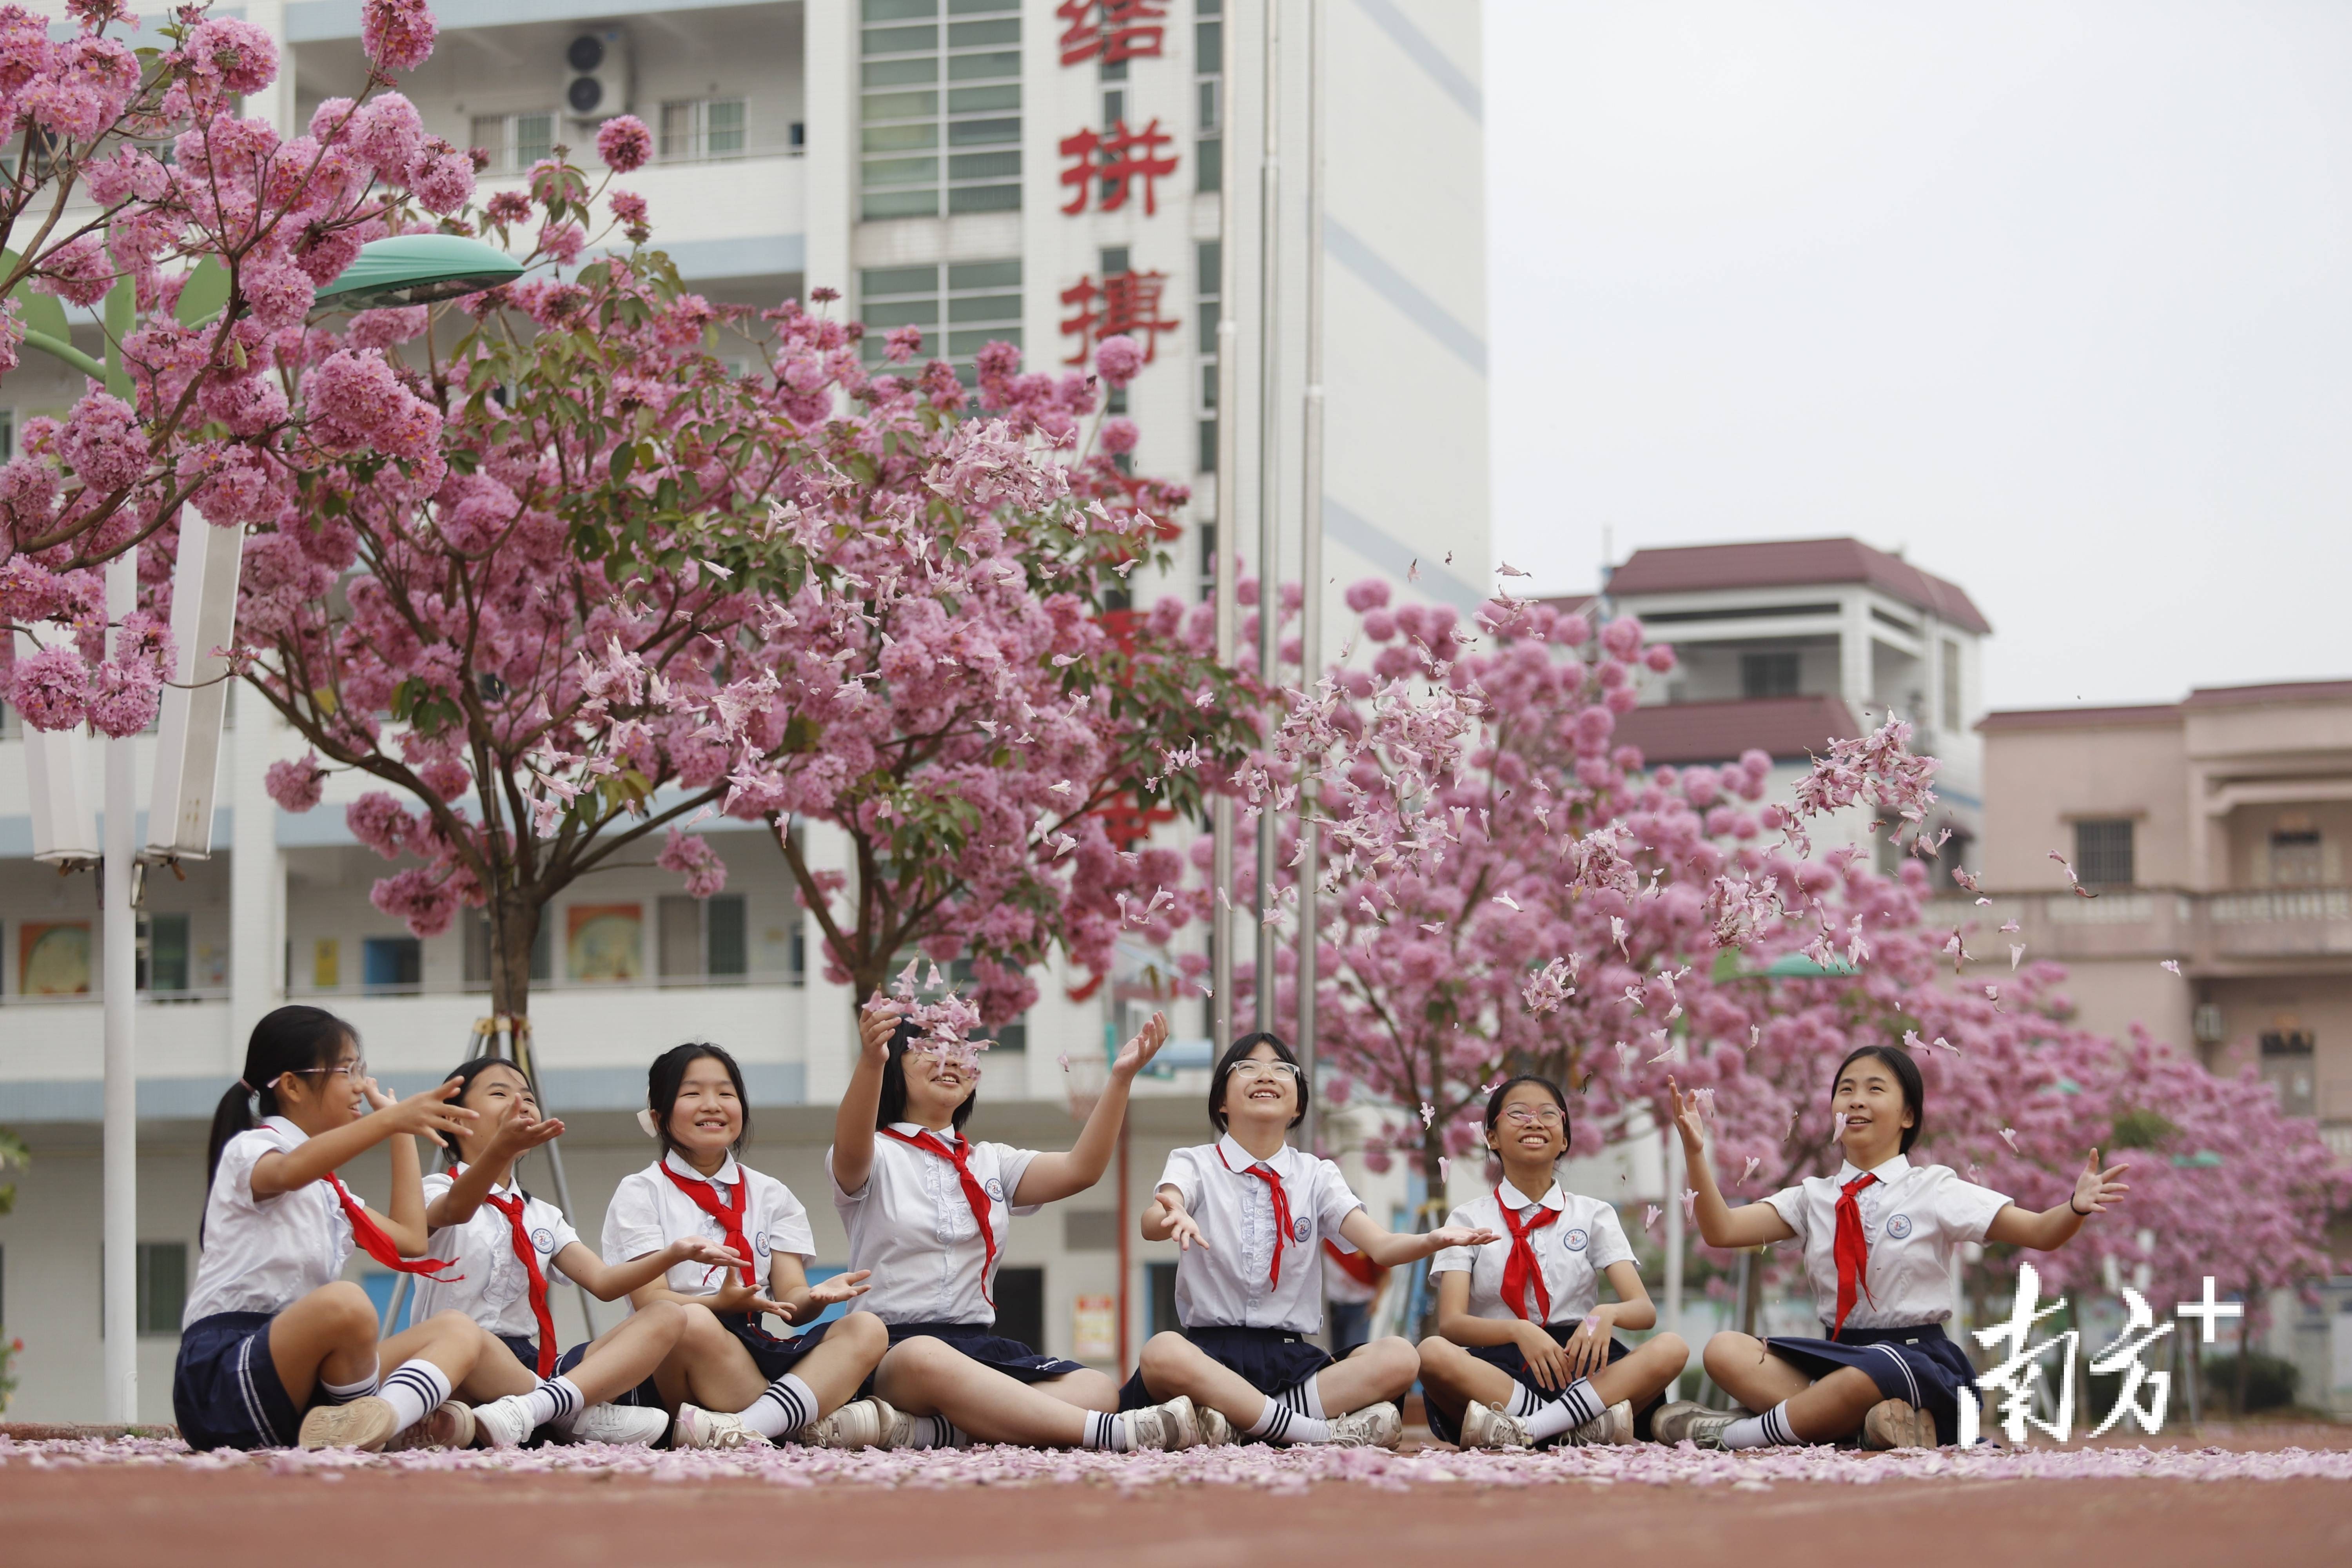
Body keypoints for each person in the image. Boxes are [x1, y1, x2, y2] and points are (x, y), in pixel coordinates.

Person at [1655, 1045, 2130, 1450]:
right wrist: (1696, 1154)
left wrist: (2075, 1206)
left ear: (1908, 1115)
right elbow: (1722, 1230)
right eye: (1846, 1090)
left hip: (1916, 1359)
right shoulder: (1812, 1196)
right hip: (1837, 1357)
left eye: (1874, 1089)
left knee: (1875, 1369)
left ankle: (1735, 1434)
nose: (1856, 1101)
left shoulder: (1936, 1188)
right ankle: (1865, 1428)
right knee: (1724, 1350)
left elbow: (2041, 1232)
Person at [829, 1000, 1207, 1452]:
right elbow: (851, 1146)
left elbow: (1080, 1170)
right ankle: (1112, 1434)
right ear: (895, 1065)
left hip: (976, 1346)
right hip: (896, 1349)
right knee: (924, 1357)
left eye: (963, 1050)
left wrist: (1121, 1078)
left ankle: (934, 1431)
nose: (950, 1059)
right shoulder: (874, 1153)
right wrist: (872, 1060)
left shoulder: (992, 1160)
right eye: (928, 1047)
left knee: (1097, 1389)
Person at [1125, 1032, 1503, 1448]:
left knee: (1400, 1356)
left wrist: (1433, 1239)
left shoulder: (1316, 1175)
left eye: (1281, 1068)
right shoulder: (1193, 1162)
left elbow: (1380, 1247)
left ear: (1298, 1104)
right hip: (1209, 1356)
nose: (1266, 1074)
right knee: (1162, 1353)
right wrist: (1171, 1213)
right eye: (1247, 1067)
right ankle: (1316, 1432)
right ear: (1222, 1101)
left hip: (1290, 1358)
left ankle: (1237, 1423)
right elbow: (1156, 1215)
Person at [174, 1005, 492, 1452]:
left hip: (302, 1384)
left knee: (458, 1329)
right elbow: (287, 1172)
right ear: (291, 1085)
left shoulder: (331, 1190)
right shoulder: (253, 1147)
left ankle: (377, 1420)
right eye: (347, 1069)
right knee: (347, 1303)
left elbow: (411, 1238)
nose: (360, 1084)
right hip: (226, 1378)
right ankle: (377, 1423)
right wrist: (389, 1121)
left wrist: (400, 1129)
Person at [412, 1056, 746, 1447]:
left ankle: (545, 1407)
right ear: (457, 1119)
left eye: (527, 1097)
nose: (519, 1103)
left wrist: (673, 1253)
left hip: (529, 1366)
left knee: (668, 1314)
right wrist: (499, 1151)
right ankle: (568, 1411)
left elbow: (604, 1283)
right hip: (458, 1355)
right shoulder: (434, 1189)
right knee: (470, 1336)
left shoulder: (542, 1215)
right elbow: (456, 1209)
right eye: (500, 1093)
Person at [603, 1042, 894, 1449]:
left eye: (726, 1093)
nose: (712, 1105)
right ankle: (792, 1420)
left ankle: (747, 1426)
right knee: (689, 1322)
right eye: (692, 1094)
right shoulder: (641, 1191)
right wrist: (721, 1304)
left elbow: (791, 1303)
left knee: (867, 1327)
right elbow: (652, 1301)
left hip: (752, 1349)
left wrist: (815, 1298)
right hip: (676, 1352)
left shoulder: (771, 1193)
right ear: (658, 1116)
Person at [1417, 1074, 1690, 1448]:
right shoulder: (1466, 1219)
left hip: (1581, 1363)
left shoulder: (1594, 1214)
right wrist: (1519, 1331)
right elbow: (1451, 1322)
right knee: (1431, 1354)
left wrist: (1602, 1317)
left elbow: (1643, 1310)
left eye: (1549, 1114)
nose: (1534, 1121)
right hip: (1498, 1369)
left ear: (1564, 1139)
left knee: (1671, 1347)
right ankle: (1572, 1426)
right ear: (1491, 1137)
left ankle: (1530, 1428)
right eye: (1517, 1113)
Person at [1320, 1238, 1386, 1355]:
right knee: (1334, 1356)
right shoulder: (1325, 1236)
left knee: (1356, 1354)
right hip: (1332, 1307)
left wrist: (1376, 1301)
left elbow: (1385, 1274)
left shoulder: (1366, 1239)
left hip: (1360, 1308)